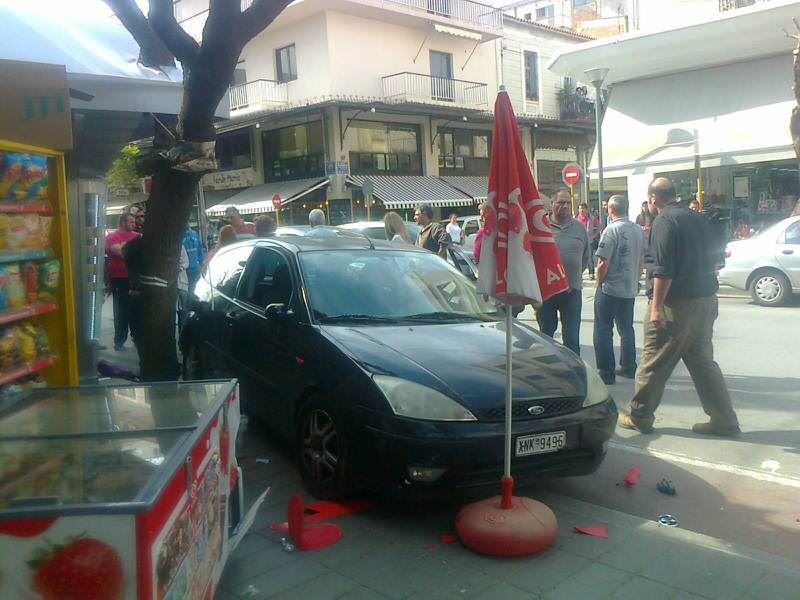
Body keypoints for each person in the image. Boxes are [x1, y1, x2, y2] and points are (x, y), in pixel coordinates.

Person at [618, 178, 740, 437]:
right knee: (702, 362)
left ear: (653, 199)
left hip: (678, 304)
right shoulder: (697, 218)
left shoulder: (664, 221)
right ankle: (724, 419)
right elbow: (716, 257)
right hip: (706, 300)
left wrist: (656, 307)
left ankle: (640, 416)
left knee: (653, 361)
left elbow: (663, 269)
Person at [592, 195, 644, 385]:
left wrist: (599, 282)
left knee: (603, 328)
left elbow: (602, 262)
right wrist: (636, 280)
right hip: (629, 287)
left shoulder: (610, 230)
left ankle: (606, 372)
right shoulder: (638, 230)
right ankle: (629, 366)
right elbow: (640, 260)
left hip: (610, 287)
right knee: (626, 328)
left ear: (610, 210)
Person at [535, 189, 590, 355]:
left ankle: (573, 374)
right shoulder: (540, 226)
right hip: (547, 292)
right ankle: (549, 373)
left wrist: (573, 273)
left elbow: (586, 258)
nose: (565, 206)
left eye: (568, 203)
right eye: (561, 203)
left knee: (572, 339)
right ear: (552, 204)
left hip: (572, 291)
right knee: (546, 336)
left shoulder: (579, 228)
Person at [105, 213, 140, 351]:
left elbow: (137, 253)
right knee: (120, 310)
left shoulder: (138, 236)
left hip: (135, 278)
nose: (134, 224)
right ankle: (119, 341)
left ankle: (137, 337)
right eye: (131, 221)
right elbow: (120, 252)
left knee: (136, 309)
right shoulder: (111, 237)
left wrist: (125, 246)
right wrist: (131, 248)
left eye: (134, 221)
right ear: (122, 222)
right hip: (119, 278)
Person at [182, 226, 204, 291]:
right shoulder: (194, 234)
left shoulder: (180, 236)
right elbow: (200, 250)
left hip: (185, 269)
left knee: (187, 290)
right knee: (196, 289)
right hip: (195, 267)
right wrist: (201, 262)